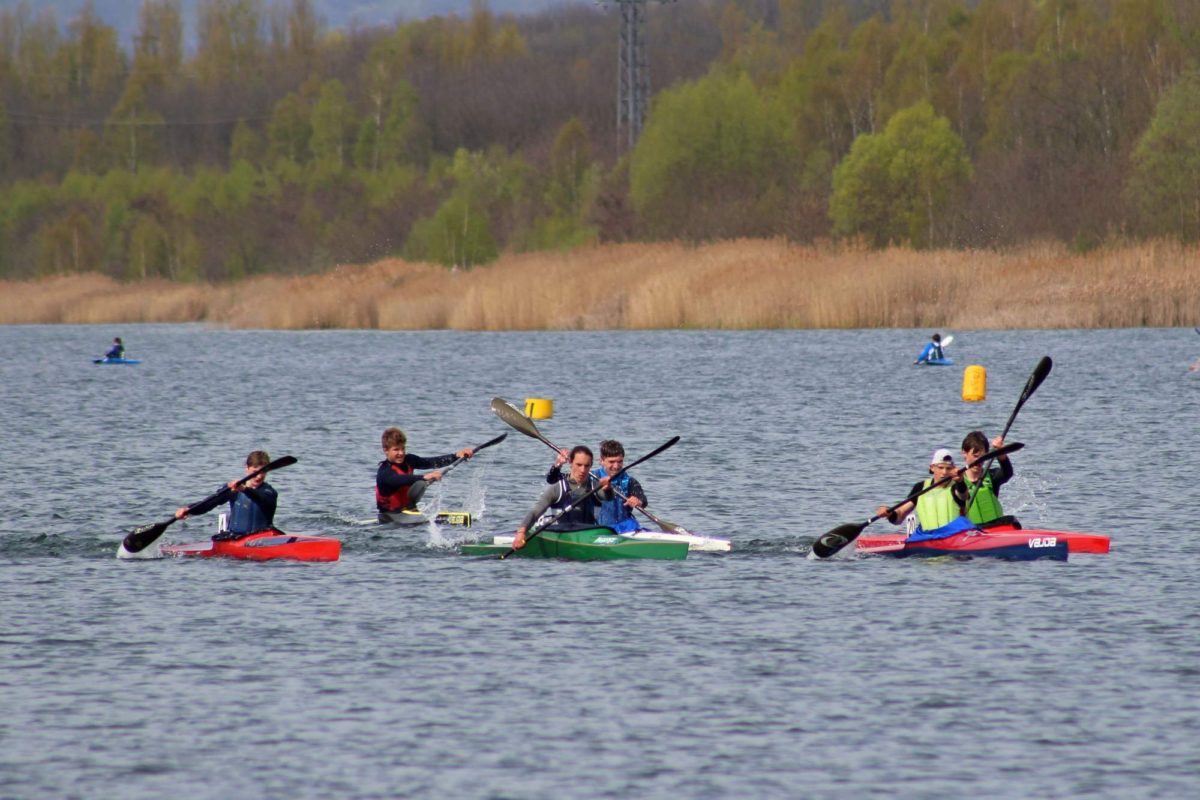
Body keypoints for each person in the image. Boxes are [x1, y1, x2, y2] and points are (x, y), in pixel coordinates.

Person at [513, 445, 612, 549]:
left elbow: (608, 497)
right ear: (570, 463)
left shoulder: (595, 486)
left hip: (587, 536)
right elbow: (535, 512)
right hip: (561, 535)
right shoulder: (557, 488)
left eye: (587, 466)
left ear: (591, 466)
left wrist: (608, 488)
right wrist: (521, 533)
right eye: (579, 465)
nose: (583, 470)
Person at [545, 439, 647, 534]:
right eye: (611, 462)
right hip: (597, 530)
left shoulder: (629, 481)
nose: (616, 466)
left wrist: (638, 501)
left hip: (626, 528)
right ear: (602, 460)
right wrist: (558, 464)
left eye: (620, 462)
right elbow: (553, 479)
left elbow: (643, 500)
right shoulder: (590, 477)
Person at [376, 427, 474, 521]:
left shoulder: (409, 460)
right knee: (419, 483)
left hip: (409, 511)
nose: (401, 453)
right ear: (386, 450)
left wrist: (456, 456)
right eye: (396, 449)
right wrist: (424, 477)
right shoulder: (384, 472)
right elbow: (398, 479)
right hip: (390, 515)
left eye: (403, 448)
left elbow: (431, 462)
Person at [175, 450, 278, 540]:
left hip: (263, 537)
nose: (259, 476)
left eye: (263, 472)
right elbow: (209, 503)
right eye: (255, 472)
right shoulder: (233, 490)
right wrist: (187, 510)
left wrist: (245, 489)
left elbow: (262, 499)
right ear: (247, 468)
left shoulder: (269, 492)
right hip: (237, 538)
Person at [877, 448, 971, 536]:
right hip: (928, 538)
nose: (944, 472)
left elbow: (963, 496)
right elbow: (900, 515)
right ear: (932, 467)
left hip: (954, 536)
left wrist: (960, 481)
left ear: (954, 469)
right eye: (940, 467)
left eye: (948, 468)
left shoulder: (957, 486)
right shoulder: (920, 488)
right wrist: (889, 513)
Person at [960, 430, 1014, 526]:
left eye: (983, 457)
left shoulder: (992, 477)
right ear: (964, 453)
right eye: (975, 456)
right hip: (970, 532)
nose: (979, 461)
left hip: (995, 530)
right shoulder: (957, 482)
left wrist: (1000, 453)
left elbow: (1007, 472)